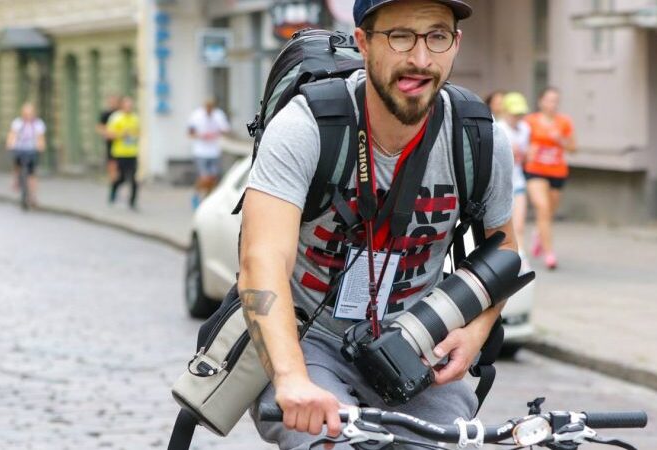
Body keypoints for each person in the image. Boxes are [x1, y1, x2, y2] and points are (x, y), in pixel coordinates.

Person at [239, 1, 515, 448]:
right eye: (400, 36)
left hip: (415, 345)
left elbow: (503, 251)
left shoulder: (478, 138)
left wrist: (476, 331)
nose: (420, 59)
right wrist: (290, 378)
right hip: (307, 341)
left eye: (437, 36)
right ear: (364, 43)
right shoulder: (306, 127)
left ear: (455, 43)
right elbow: (262, 260)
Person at [524, 87, 576, 270]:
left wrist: (561, 140)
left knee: (548, 213)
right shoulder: (530, 121)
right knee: (543, 207)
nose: (552, 104)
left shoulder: (564, 122)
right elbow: (521, 143)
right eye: (549, 100)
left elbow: (573, 148)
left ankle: (538, 233)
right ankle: (549, 254)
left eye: (555, 100)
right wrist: (528, 151)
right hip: (535, 170)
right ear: (541, 101)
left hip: (557, 172)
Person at [497, 92, 532, 271]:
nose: (518, 117)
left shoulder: (525, 129)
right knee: (501, 228)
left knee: (519, 225)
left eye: (520, 114)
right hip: (500, 185)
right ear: (505, 112)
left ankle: (521, 257)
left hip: (518, 182)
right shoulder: (498, 129)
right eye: (514, 114)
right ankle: (505, 260)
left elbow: (525, 156)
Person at [187, 98, 231, 209]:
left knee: (213, 178)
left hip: (214, 151)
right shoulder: (196, 115)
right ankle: (196, 194)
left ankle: (206, 199)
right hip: (200, 151)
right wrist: (201, 135)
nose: (209, 111)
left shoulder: (218, 115)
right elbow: (190, 133)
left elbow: (226, 130)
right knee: (204, 177)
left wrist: (217, 133)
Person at [6, 102, 46, 207]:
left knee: (32, 173)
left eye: (30, 114)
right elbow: (12, 134)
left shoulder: (38, 124)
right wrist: (10, 143)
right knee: (17, 164)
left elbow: (40, 137)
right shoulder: (17, 123)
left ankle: (32, 195)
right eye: (25, 114)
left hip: (32, 149)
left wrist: (41, 146)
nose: (28, 116)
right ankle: (16, 180)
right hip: (19, 148)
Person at [107, 97, 140, 210]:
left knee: (133, 179)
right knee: (121, 178)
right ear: (122, 106)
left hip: (132, 153)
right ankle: (113, 192)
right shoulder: (116, 118)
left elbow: (138, 132)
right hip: (119, 153)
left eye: (130, 105)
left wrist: (134, 135)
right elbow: (109, 134)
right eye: (127, 105)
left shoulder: (135, 118)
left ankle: (132, 202)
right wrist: (121, 135)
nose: (129, 107)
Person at [97, 94, 120, 180]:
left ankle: (118, 178)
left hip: (121, 143)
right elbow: (100, 127)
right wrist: (107, 134)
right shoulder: (105, 114)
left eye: (115, 101)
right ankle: (113, 180)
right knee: (112, 161)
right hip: (111, 142)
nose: (113, 103)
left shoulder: (120, 113)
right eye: (111, 101)